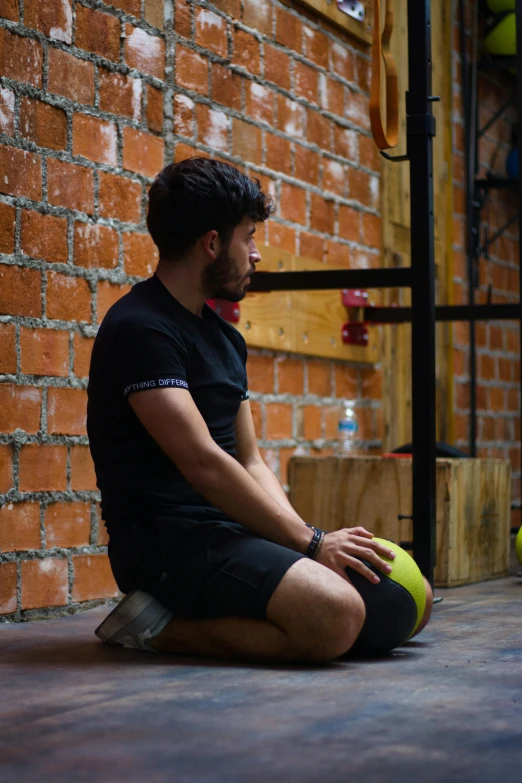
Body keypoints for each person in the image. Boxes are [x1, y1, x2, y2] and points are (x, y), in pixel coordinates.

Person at [88, 158, 432, 664]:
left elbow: (249, 459)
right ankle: (156, 628)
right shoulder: (139, 328)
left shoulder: (225, 338)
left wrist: (302, 541)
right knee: (336, 615)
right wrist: (313, 546)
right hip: (169, 545)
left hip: (230, 532)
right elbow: (202, 460)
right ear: (211, 244)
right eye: (247, 237)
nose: (256, 253)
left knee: (412, 599)